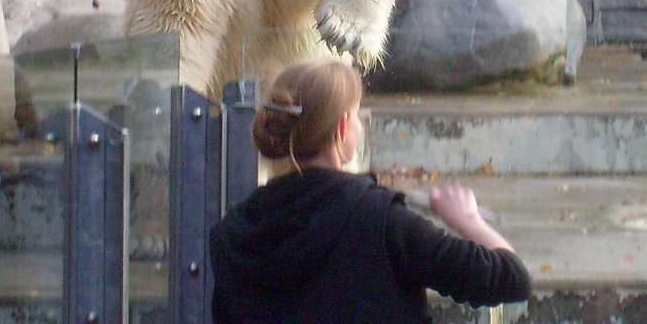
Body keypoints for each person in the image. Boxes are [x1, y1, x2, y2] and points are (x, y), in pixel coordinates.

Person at [209, 58, 531, 324]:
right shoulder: (380, 220)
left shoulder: (233, 234)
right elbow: (510, 279)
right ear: (342, 128)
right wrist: (468, 220)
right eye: (358, 115)